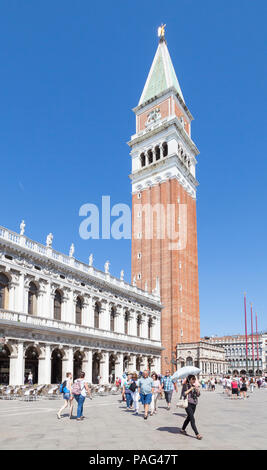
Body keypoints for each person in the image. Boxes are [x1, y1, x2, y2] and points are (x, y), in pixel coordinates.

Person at [180, 375, 202, 440]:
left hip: (194, 404)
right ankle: (197, 434)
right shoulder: (185, 385)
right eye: (193, 379)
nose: (194, 380)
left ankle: (182, 429)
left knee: (189, 418)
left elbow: (198, 395)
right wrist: (190, 389)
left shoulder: (194, 386)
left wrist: (197, 390)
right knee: (192, 419)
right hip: (188, 404)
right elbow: (183, 394)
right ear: (189, 379)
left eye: (194, 379)